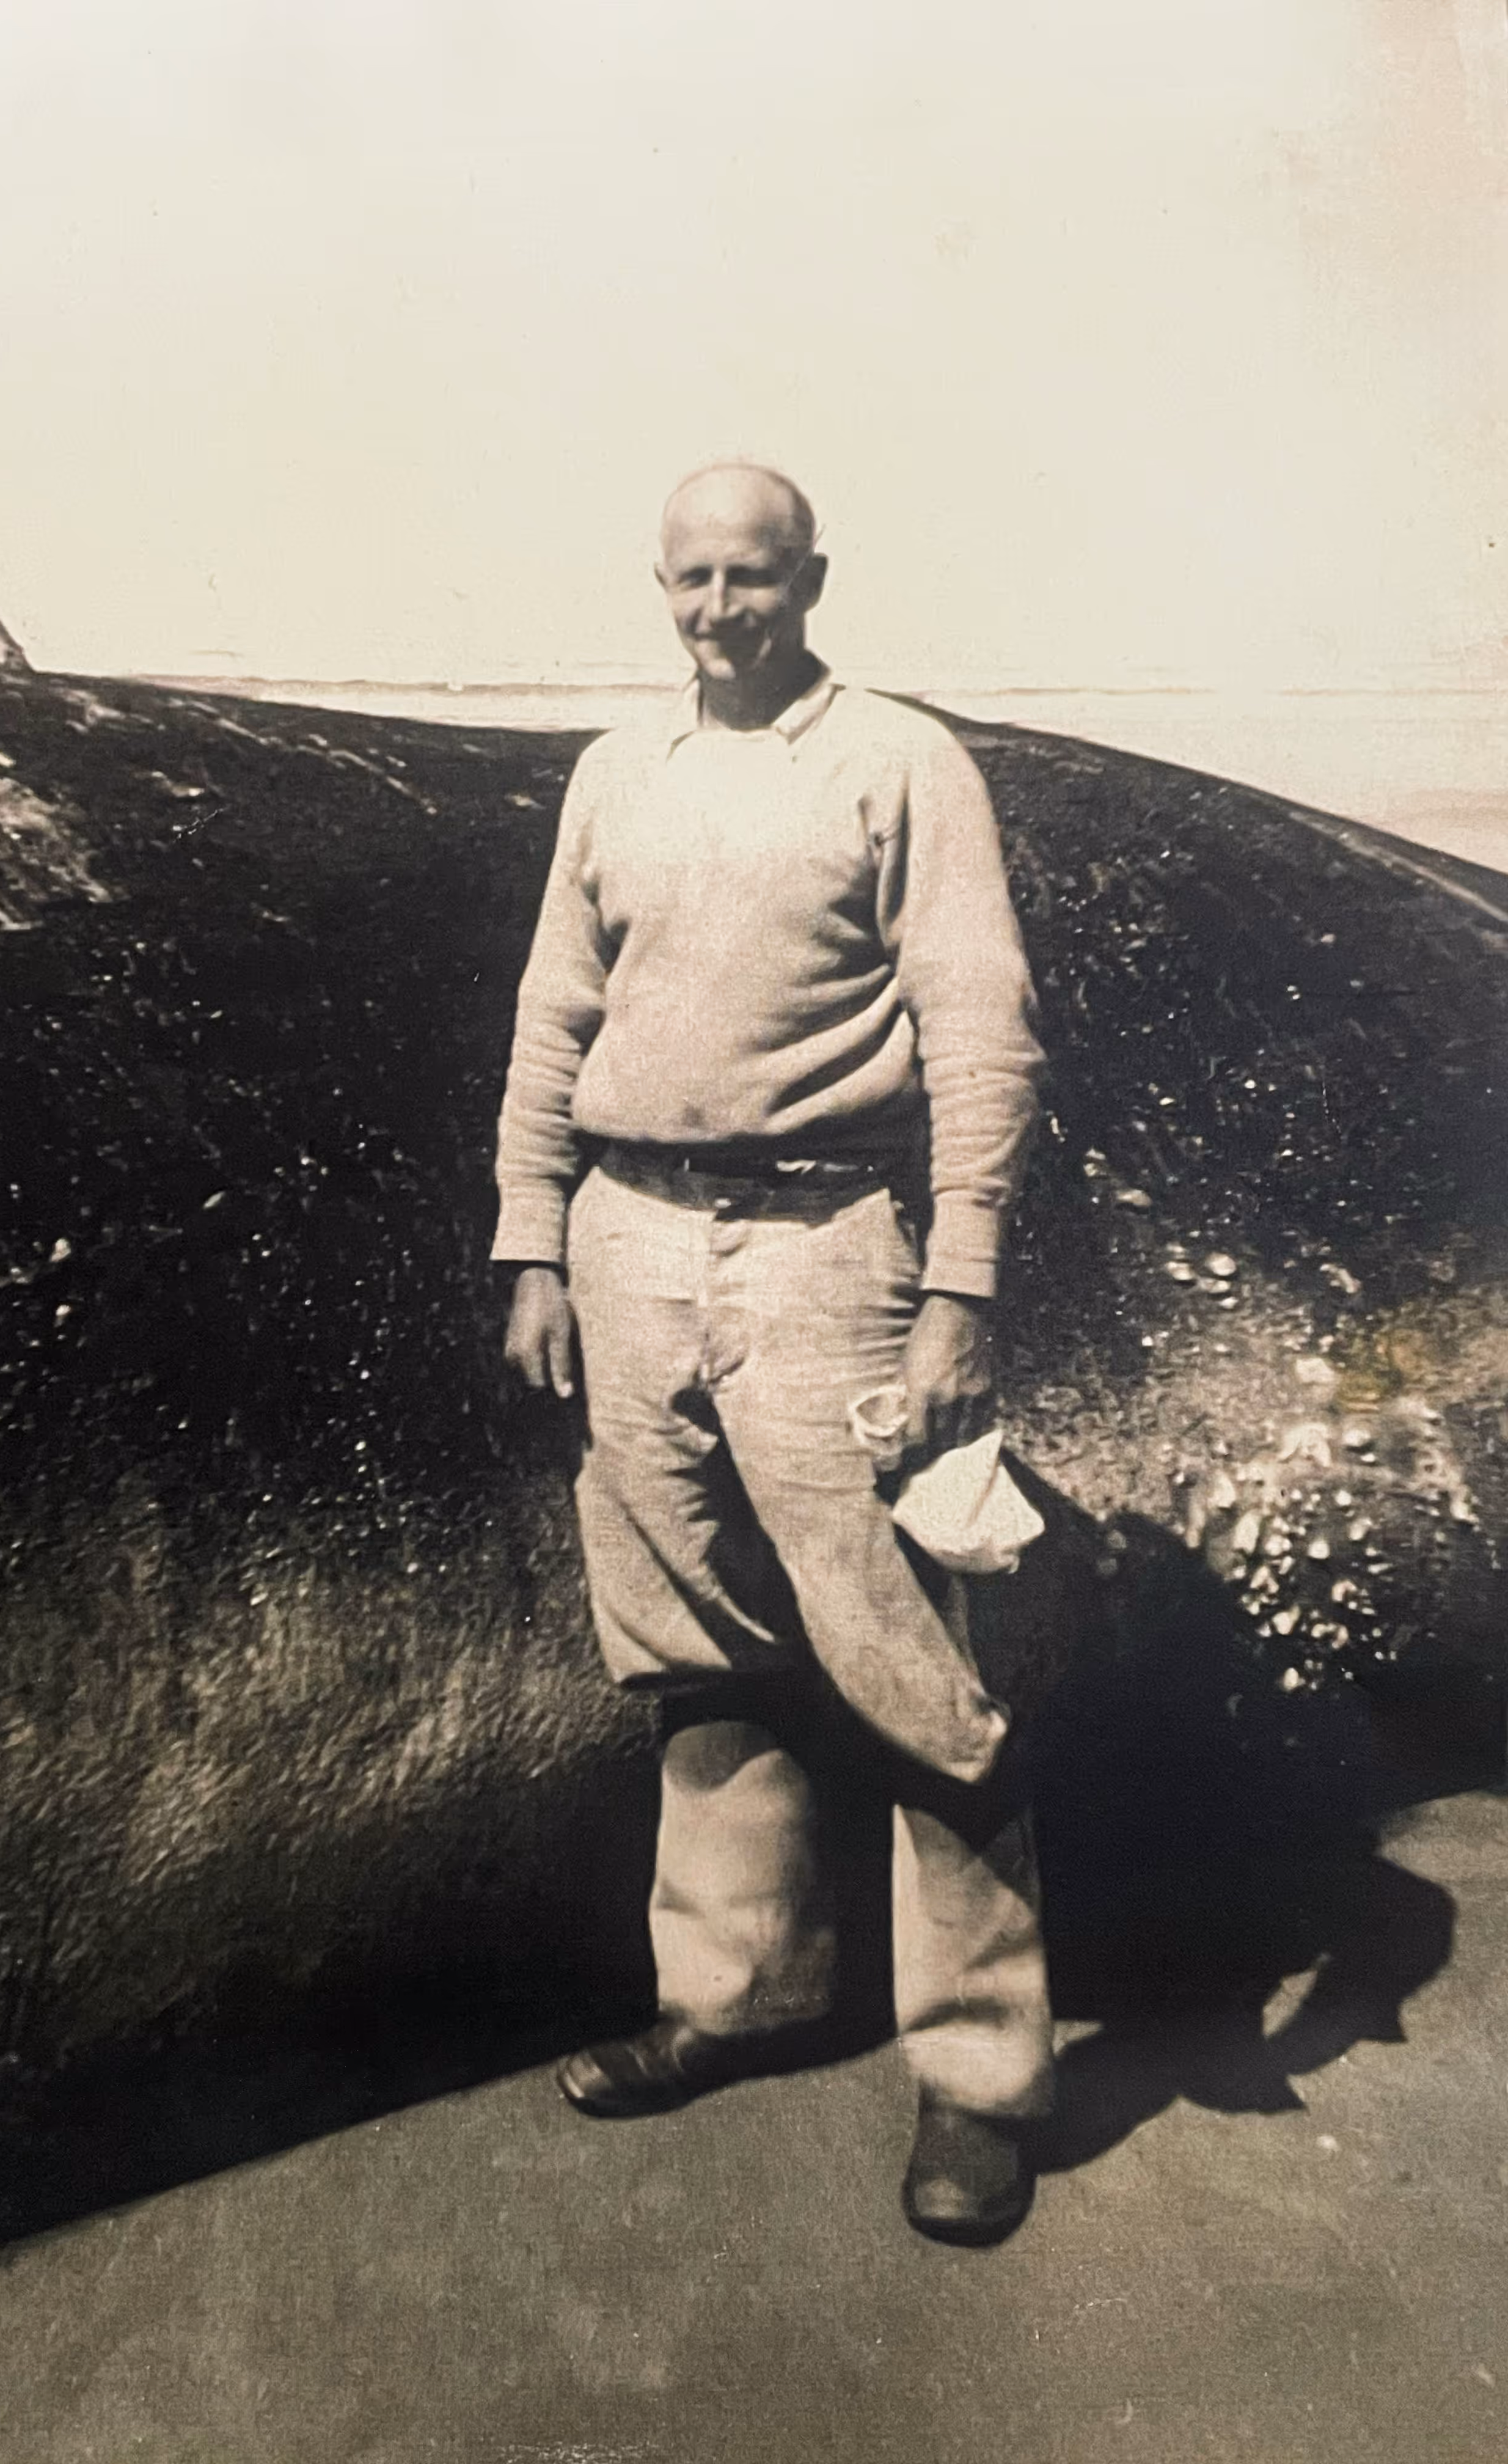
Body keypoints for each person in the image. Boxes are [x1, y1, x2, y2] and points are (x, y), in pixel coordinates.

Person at [492, 461, 1054, 2245]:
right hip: (629, 1235)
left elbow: (983, 1030)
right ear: (658, 585)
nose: (719, 609)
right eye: (691, 580)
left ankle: (982, 2077)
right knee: (693, 1637)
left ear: (812, 579)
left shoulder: (899, 762)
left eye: (751, 577)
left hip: (830, 1244)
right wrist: (532, 1238)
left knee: (902, 1651)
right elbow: (555, 1012)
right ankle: (736, 1997)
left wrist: (960, 1283)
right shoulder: (618, 771)